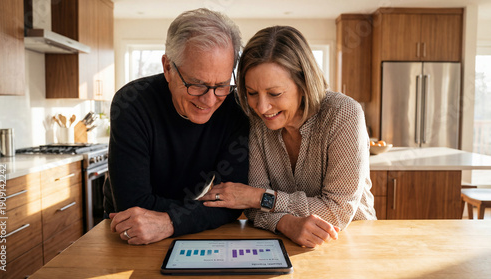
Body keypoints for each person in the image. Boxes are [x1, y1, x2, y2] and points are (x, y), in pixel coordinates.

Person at [199, 25, 376, 248]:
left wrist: (258, 197)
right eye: (252, 93)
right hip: (282, 240)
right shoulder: (256, 121)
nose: (262, 107)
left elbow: (336, 211)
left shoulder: (343, 113)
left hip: (349, 241)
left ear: (303, 83)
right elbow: (252, 209)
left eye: (275, 93)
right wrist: (286, 224)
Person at [104, 8, 249, 245]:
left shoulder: (235, 109)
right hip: (128, 228)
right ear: (168, 68)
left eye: (221, 85)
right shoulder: (132, 103)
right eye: (196, 84)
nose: (210, 100)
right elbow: (133, 205)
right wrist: (201, 213)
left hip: (185, 230)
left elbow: (230, 204)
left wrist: (170, 222)